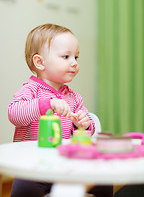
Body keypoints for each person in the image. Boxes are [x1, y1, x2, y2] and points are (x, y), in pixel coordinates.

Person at [8, 23, 113, 197]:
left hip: (66, 166)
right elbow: (14, 114)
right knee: (23, 190)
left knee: (103, 182)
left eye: (76, 57)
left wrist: (84, 125)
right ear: (40, 62)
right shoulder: (31, 90)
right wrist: (46, 104)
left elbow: (84, 134)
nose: (74, 63)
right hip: (33, 167)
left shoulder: (74, 97)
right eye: (66, 56)